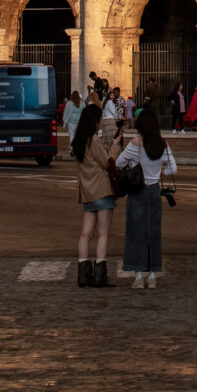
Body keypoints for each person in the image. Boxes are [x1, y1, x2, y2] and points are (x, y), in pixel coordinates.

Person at [116, 103, 178, 289]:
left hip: (138, 192)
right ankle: (152, 275)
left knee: (136, 233)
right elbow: (174, 168)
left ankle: (138, 276)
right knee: (153, 233)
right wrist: (160, 173)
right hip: (154, 192)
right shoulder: (163, 144)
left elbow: (119, 162)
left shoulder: (135, 143)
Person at [72, 102, 119, 287]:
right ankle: (100, 274)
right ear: (94, 121)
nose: (100, 123)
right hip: (102, 190)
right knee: (103, 233)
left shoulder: (79, 141)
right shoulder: (94, 140)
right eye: (99, 120)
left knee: (85, 233)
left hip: (87, 191)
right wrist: (115, 146)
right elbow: (107, 163)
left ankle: (83, 273)